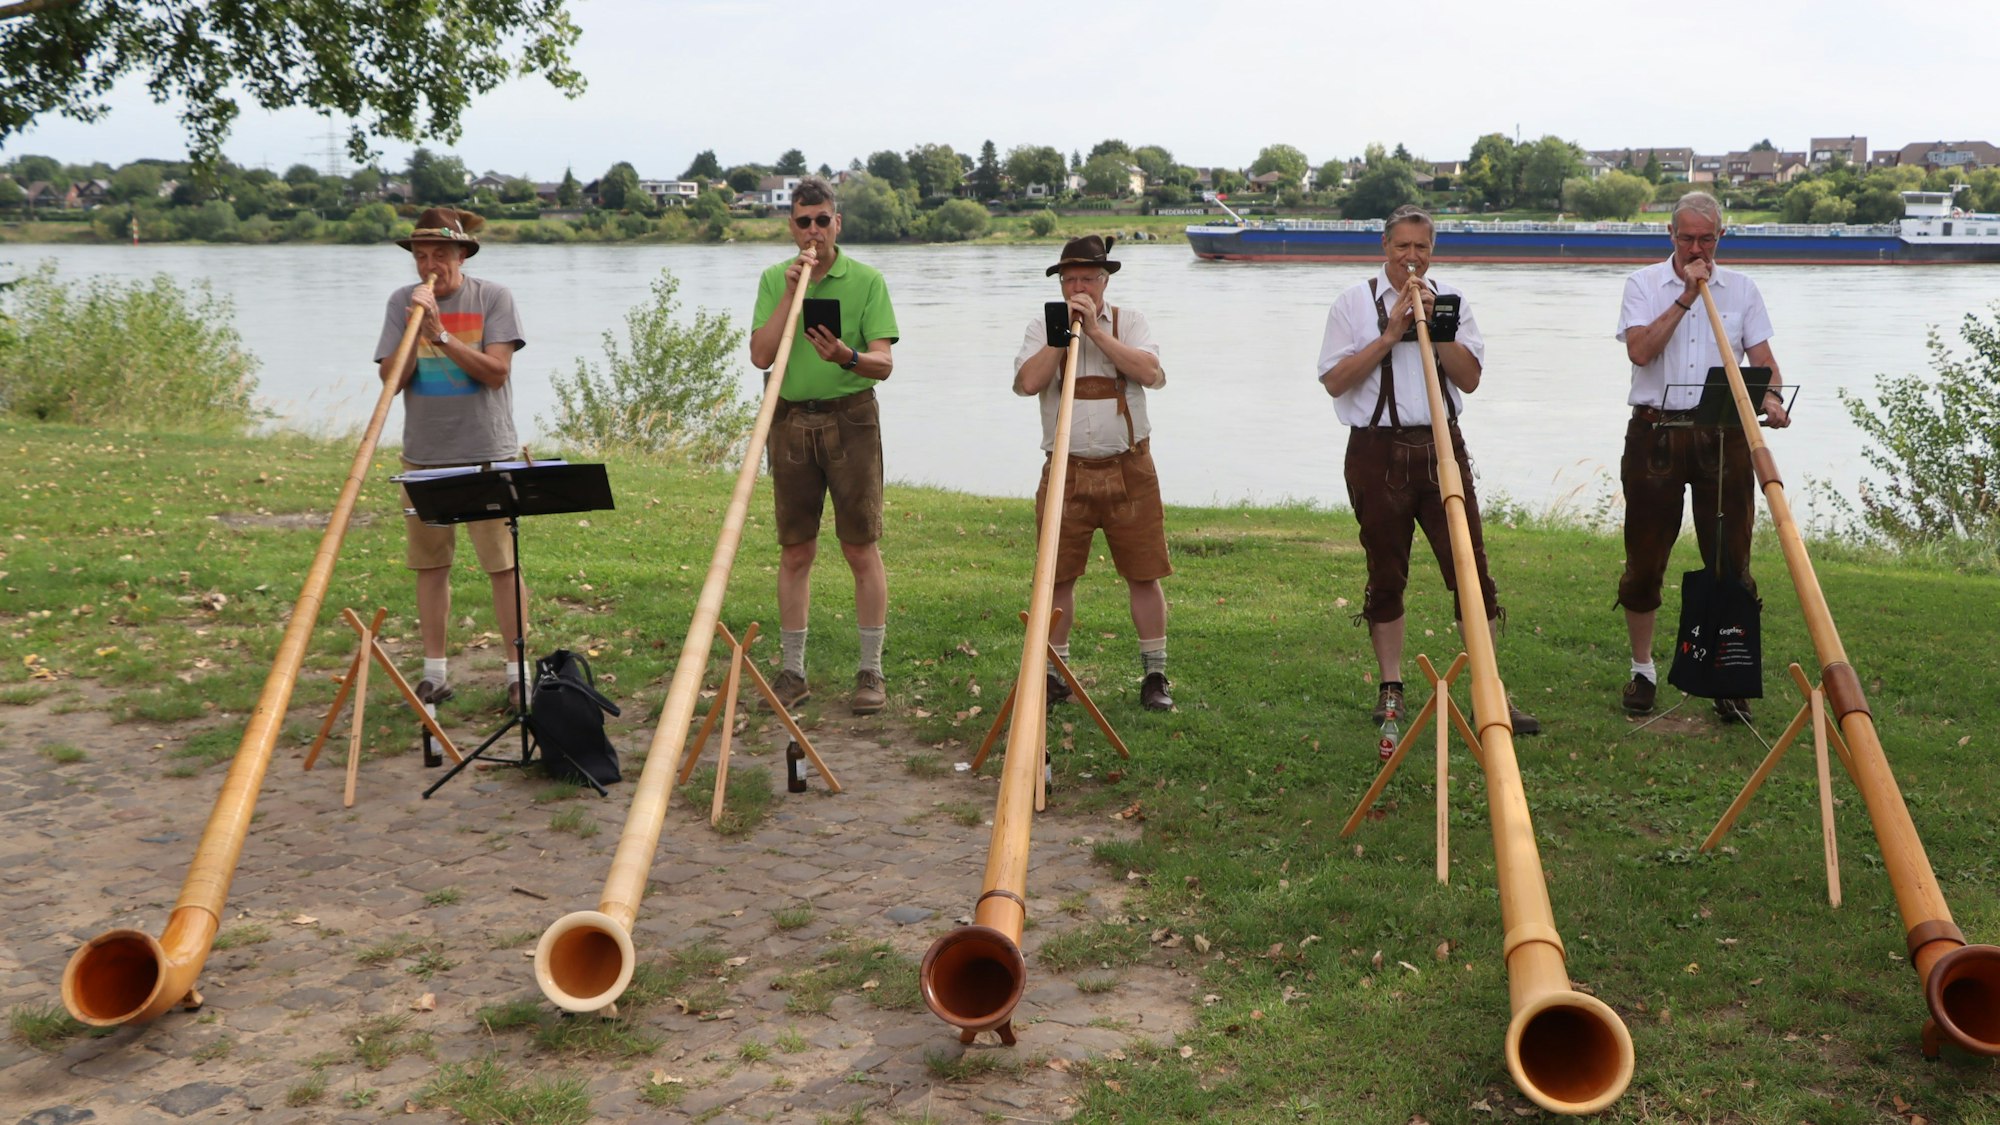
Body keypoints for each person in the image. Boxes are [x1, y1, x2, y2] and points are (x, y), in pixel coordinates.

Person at [1316, 204, 1540, 735]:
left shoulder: (1453, 305)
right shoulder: (1352, 303)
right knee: (1386, 572)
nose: (1411, 258)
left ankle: (1491, 691)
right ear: (1384, 248)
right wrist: (1390, 335)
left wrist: (1438, 331)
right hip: (1376, 450)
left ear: (1431, 252)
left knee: (1469, 569)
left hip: (1444, 449)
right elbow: (1334, 381)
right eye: (1402, 248)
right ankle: (1391, 687)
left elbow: (1471, 380)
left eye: (1421, 248)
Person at [1614, 190, 1790, 721]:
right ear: (1671, 235)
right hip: (1656, 436)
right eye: (1687, 237)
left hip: (1723, 438)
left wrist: (1772, 398)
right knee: (1645, 561)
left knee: (1730, 560)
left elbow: (1763, 362)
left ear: (1720, 238)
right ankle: (1642, 671)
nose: (1696, 247)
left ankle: (1727, 676)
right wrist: (1688, 295)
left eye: (1706, 239)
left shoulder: (1742, 289)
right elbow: (1641, 350)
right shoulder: (1643, 285)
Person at [748, 177, 899, 715]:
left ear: (838, 223)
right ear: (792, 226)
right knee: (795, 549)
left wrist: (846, 357)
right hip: (788, 421)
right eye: (802, 221)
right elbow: (761, 357)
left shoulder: (866, 280)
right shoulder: (774, 279)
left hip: (851, 418)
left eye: (822, 220)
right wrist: (793, 292)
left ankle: (871, 671)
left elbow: (884, 362)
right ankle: (793, 672)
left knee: (860, 546)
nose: (812, 231)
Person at [374, 207, 529, 711]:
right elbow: (392, 383)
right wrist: (415, 328)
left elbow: (496, 373)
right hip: (424, 457)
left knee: (503, 566)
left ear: (462, 253)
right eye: (420, 256)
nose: (429, 265)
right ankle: (435, 675)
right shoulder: (403, 303)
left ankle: (517, 674)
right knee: (431, 565)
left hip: (487, 453)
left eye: (440, 253)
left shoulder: (493, 299)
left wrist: (441, 335)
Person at [1012, 235, 1174, 712]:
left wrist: (1099, 335)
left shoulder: (1131, 322)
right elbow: (1026, 384)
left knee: (1144, 573)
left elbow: (1151, 373)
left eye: (1086, 278)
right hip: (1066, 471)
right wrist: (1062, 339)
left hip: (1130, 468)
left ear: (1104, 281)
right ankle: (1056, 675)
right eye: (1069, 279)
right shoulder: (1043, 328)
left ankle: (1155, 674)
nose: (1077, 287)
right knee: (1055, 576)